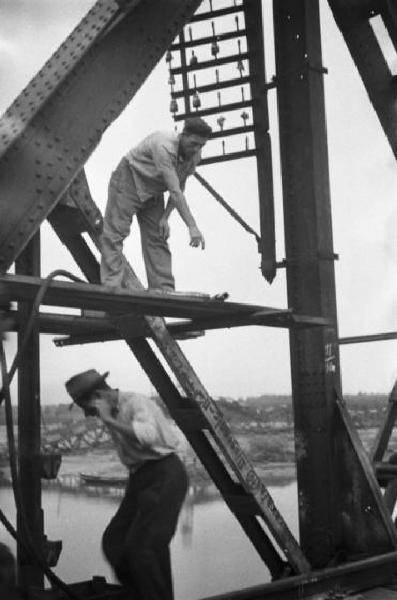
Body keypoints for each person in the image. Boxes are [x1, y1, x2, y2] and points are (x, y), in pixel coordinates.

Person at [65, 369, 188, 600]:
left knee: (143, 547)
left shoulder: (136, 403)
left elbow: (148, 435)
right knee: (115, 540)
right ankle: (141, 594)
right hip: (141, 476)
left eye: (88, 408)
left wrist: (110, 420)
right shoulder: (110, 409)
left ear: (98, 396)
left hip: (164, 473)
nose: (88, 415)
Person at [100, 117, 212, 292]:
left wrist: (165, 217)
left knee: (158, 236)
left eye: (201, 145)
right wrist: (192, 227)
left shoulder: (194, 156)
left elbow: (180, 186)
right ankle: (112, 285)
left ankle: (163, 289)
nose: (196, 149)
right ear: (183, 136)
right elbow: (174, 190)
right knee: (115, 233)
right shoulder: (164, 146)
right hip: (129, 179)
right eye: (193, 143)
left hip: (153, 191)